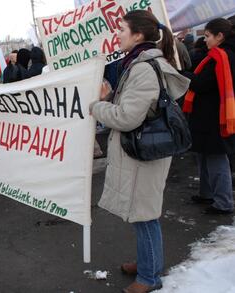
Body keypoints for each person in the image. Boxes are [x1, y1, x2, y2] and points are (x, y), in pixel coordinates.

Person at [89, 10, 190, 293]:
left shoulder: (143, 67)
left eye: (122, 29)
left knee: (144, 216)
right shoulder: (137, 63)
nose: (117, 34)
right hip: (142, 152)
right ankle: (148, 262)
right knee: (142, 213)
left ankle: (149, 278)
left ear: (138, 35)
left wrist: (97, 105)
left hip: (144, 153)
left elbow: (126, 118)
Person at [183, 18, 235, 215]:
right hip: (209, 115)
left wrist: (183, 75)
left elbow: (203, 84)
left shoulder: (222, 57)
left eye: (207, 36)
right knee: (204, 155)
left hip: (214, 116)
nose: (204, 40)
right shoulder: (219, 55)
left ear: (220, 36)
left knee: (215, 157)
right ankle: (207, 193)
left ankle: (223, 202)